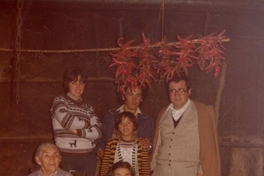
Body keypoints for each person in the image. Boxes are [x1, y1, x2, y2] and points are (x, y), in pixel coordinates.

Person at [150, 74, 221, 176]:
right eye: (172, 90)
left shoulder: (202, 112)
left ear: (189, 91)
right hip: (161, 171)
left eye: (181, 90)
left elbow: (209, 147)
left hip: (188, 171)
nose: (177, 94)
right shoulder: (163, 113)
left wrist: (201, 172)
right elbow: (157, 144)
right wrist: (152, 169)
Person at [50, 67, 102, 175]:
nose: (78, 87)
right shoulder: (59, 101)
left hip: (88, 158)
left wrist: (80, 132)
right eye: (74, 83)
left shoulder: (89, 107)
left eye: (81, 83)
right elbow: (67, 121)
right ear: (67, 84)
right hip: (66, 157)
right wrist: (88, 123)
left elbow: (98, 131)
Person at [97, 85, 154, 158]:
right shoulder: (110, 116)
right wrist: (102, 153)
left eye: (138, 95)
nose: (134, 99)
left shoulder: (146, 120)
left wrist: (148, 145)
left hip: (134, 164)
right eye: (130, 94)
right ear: (123, 96)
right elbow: (100, 140)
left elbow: (150, 148)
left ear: (141, 98)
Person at [100, 111, 151, 176]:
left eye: (128, 123)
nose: (125, 126)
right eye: (121, 123)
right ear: (117, 127)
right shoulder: (111, 143)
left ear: (134, 126)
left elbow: (145, 167)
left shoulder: (141, 144)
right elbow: (105, 166)